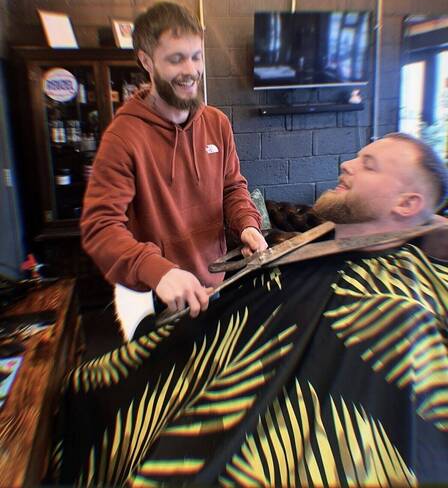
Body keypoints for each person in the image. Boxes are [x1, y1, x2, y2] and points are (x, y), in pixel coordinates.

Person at [51, 133, 448, 486]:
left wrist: (246, 223)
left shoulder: (394, 306)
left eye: (368, 165)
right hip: (190, 351)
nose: (346, 164)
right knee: (87, 389)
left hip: (255, 438)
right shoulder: (318, 246)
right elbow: (102, 223)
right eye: (357, 157)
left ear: (407, 203)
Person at [81, 1, 267, 319]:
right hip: (155, 296)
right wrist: (157, 270)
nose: (191, 70)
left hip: (215, 282)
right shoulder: (123, 136)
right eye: (176, 59)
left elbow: (232, 188)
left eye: (196, 56)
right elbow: (100, 227)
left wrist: (247, 225)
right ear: (147, 62)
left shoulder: (217, 123)